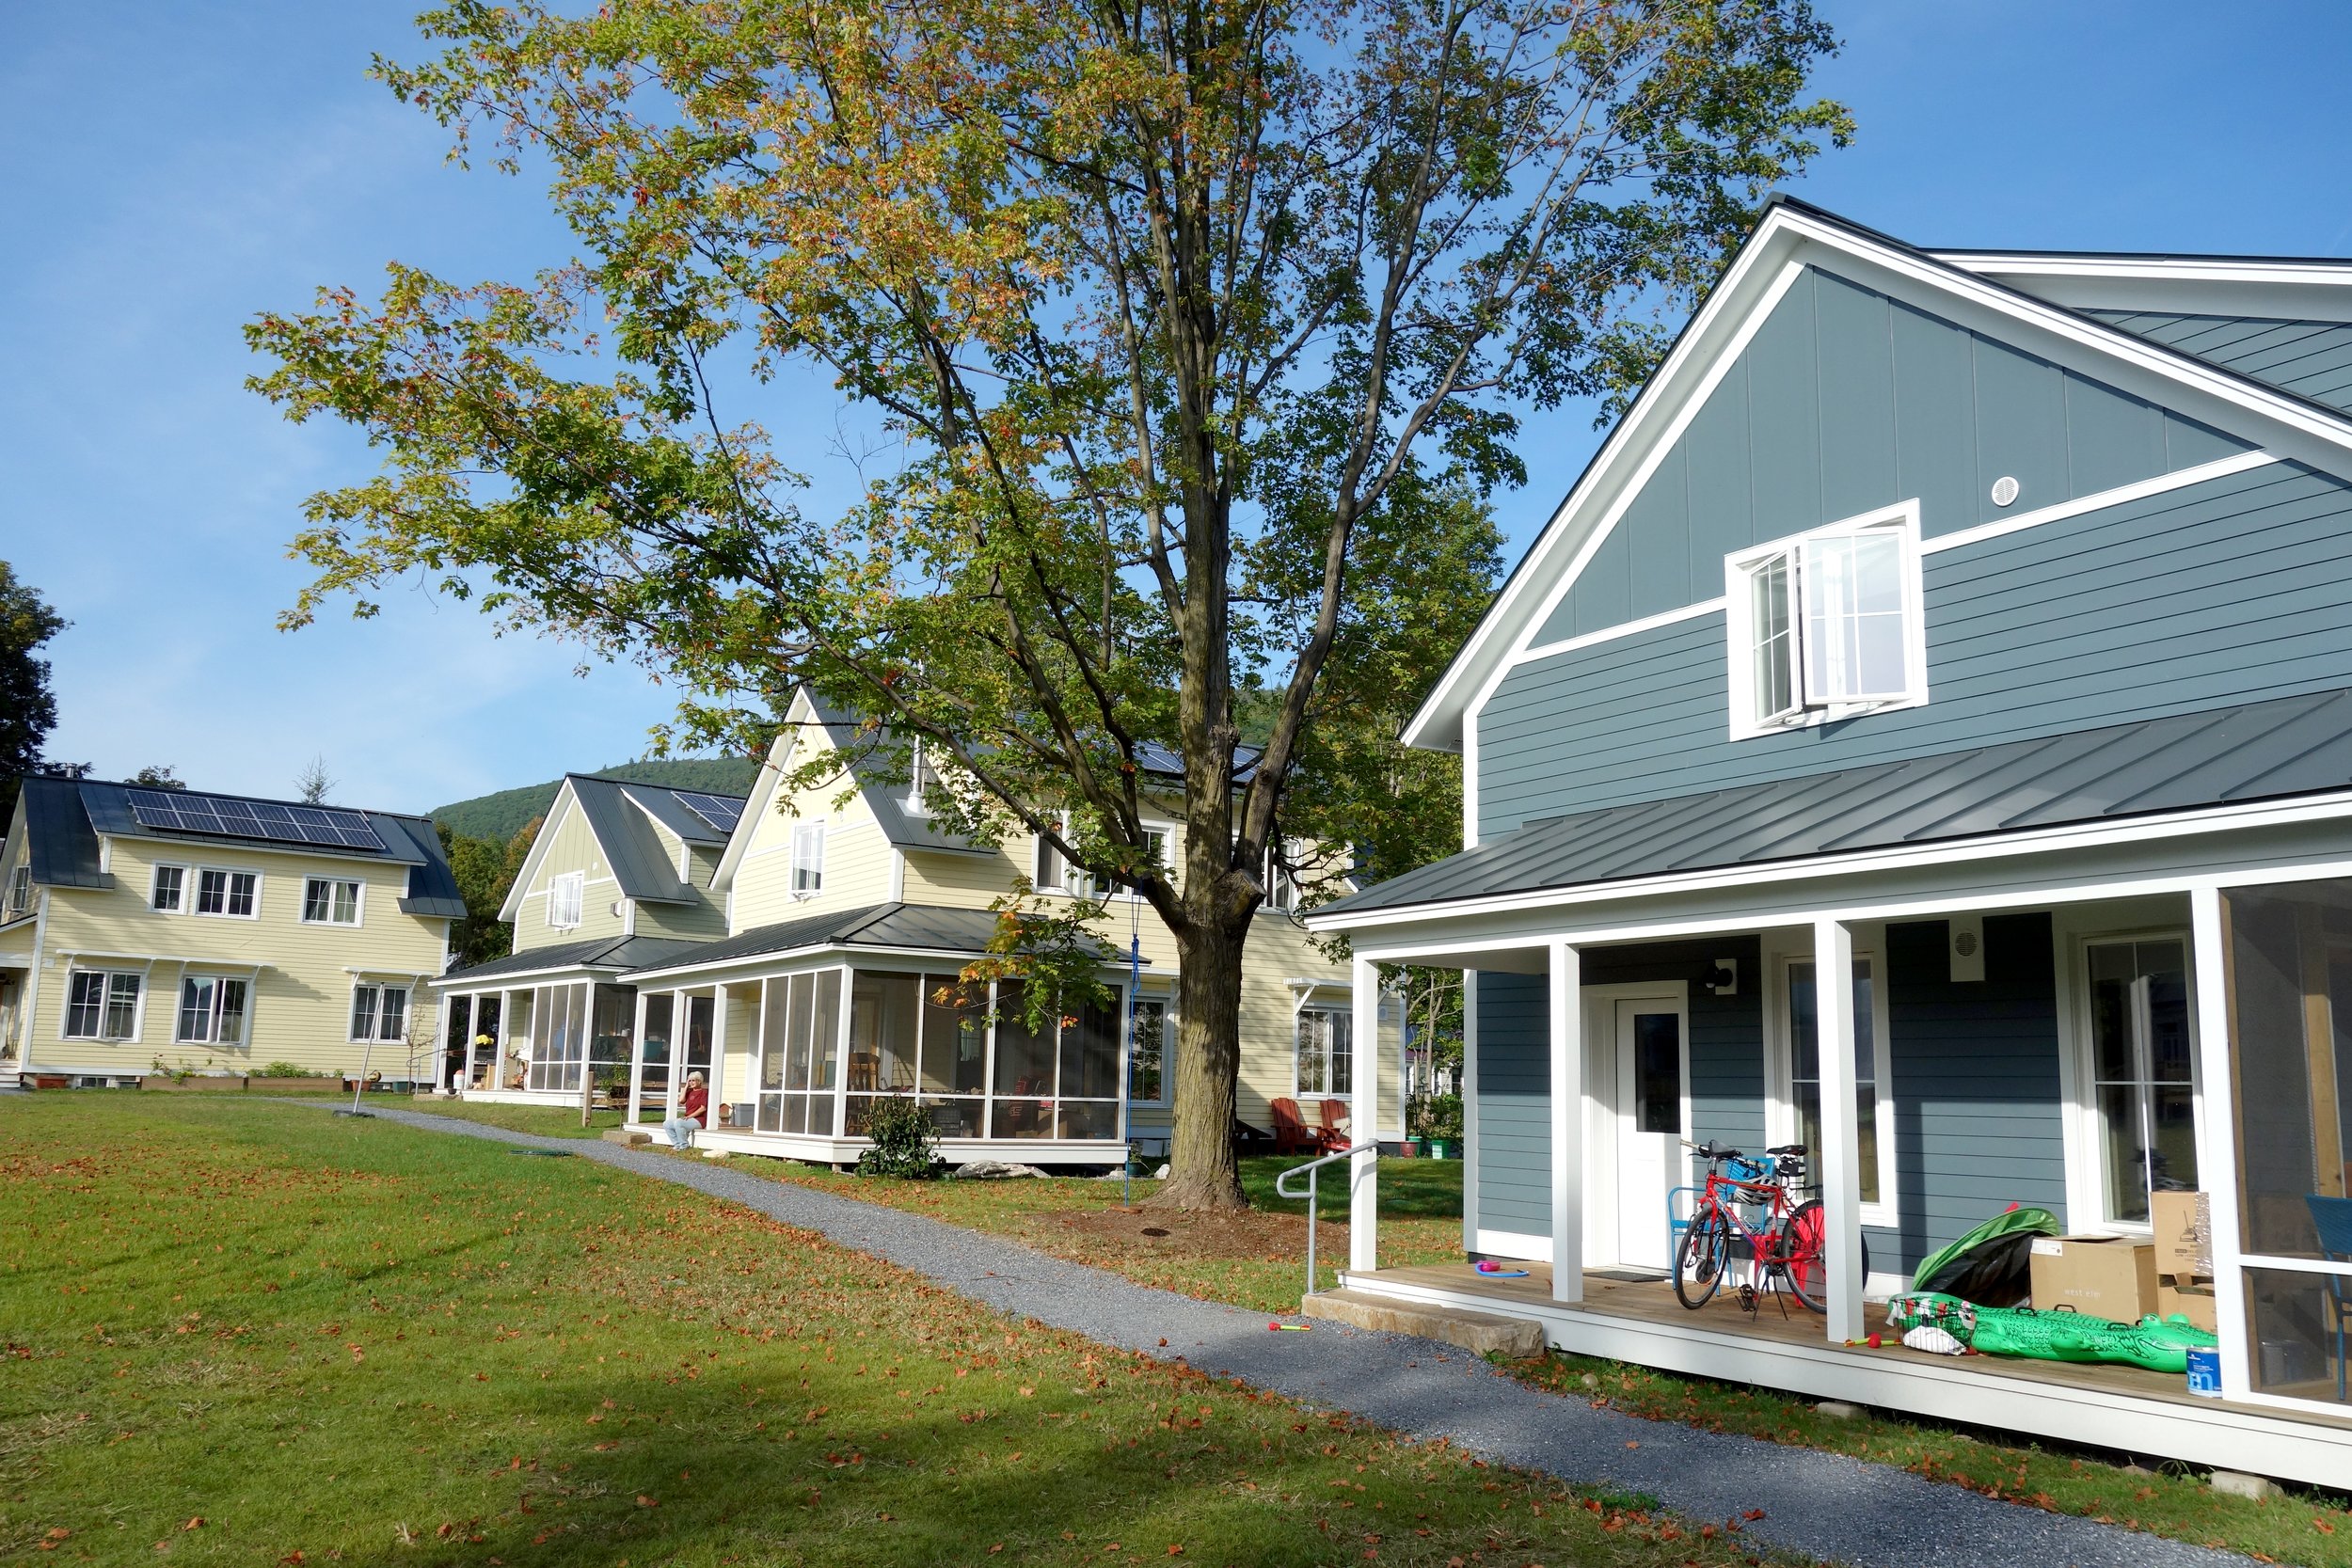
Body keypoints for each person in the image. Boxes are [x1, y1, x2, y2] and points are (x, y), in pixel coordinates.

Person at [663, 1070, 709, 1151]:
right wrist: (686, 1086)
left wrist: (689, 1116)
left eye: (693, 1080)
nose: (691, 1082)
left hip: (699, 1120)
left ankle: (684, 1146)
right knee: (667, 1124)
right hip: (688, 1118)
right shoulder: (689, 1092)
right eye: (690, 1080)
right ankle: (677, 1144)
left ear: (699, 1081)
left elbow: (703, 1108)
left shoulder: (704, 1092)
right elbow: (681, 1101)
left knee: (678, 1123)